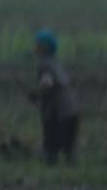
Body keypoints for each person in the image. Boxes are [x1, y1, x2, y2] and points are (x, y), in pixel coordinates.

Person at [32, 28, 81, 163]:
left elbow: (47, 83)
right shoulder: (55, 62)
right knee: (68, 146)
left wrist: (36, 93)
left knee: (51, 143)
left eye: (37, 45)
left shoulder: (45, 64)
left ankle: (52, 164)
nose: (35, 47)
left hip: (60, 112)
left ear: (44, 47)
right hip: (72, 109)